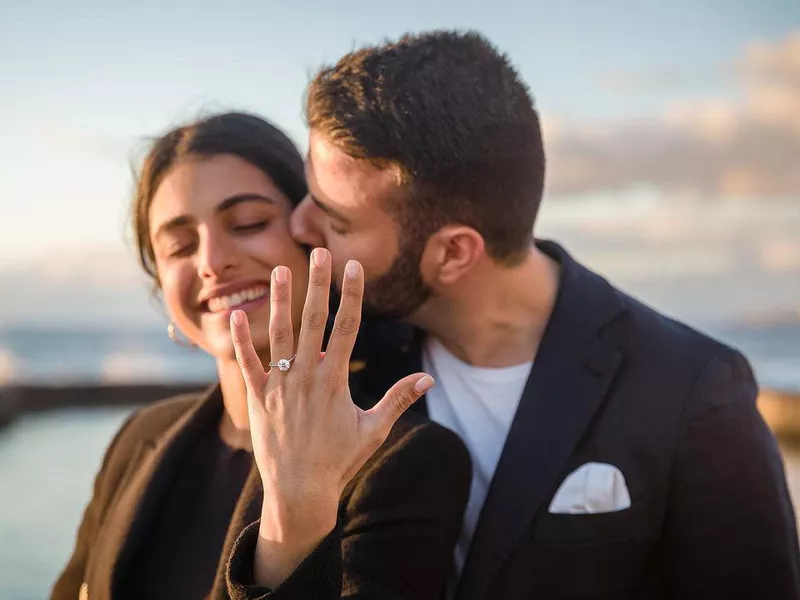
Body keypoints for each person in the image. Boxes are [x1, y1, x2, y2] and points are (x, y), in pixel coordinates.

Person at [236, 31, 800, 599]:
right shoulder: (338, 365)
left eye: (337, 220)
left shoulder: (693, 389)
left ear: (454, 252)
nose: (299, 226)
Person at [50, 112, 471, 600]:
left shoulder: (408, 460)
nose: (211, 261)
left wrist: (297, 514)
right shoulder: (139, 436)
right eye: (179, 245)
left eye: (248, 223)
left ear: (313, 234)